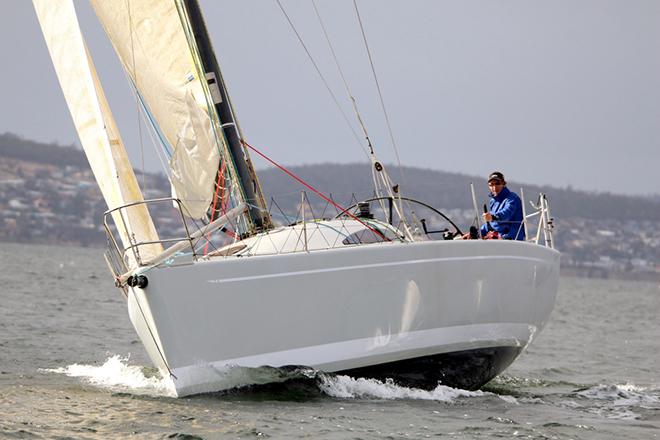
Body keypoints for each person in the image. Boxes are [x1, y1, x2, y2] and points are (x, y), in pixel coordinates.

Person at [480, 171, 525, 240]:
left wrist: (493, 217)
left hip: (513, 239)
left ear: (504, 184)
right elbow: (492, 224)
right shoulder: (493, 201)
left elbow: (506, 214)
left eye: (497, 184)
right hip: (500, 239)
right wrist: (477, 233)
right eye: (491, 185)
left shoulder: (512, 198)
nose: (494, 187)